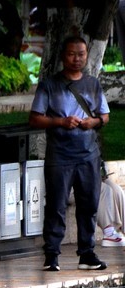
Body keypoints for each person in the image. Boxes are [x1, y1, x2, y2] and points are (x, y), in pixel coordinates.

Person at [29, 35, 111, 272]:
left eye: (81, 54)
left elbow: (105, 116)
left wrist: (93, 122)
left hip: (88, 155)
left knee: (89, 205)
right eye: (72, 54)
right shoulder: (49, 85)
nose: (77, 59)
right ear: (63, 56)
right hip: (59, 156)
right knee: (56, 205)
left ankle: (87, 254)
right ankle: (51, 255)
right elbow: (35, 118)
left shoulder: (93, 84)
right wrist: (60, 121)